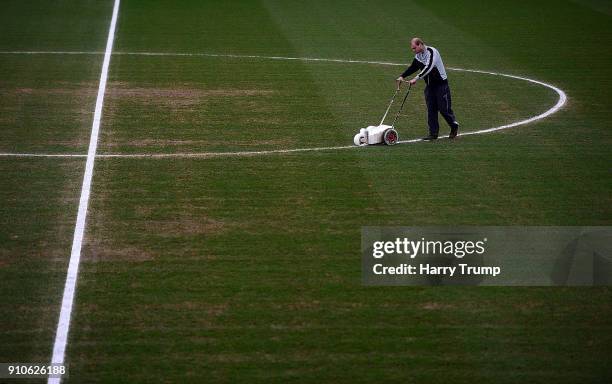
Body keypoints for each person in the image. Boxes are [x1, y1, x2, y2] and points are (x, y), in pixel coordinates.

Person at [396, 38, 459, 140]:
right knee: (431, 109)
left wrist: (416, 78)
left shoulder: (432, 52)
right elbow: (413, 67)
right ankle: (433, 133)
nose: (413, 50)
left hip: (441, 85)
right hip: (430, 86)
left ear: (420, 44)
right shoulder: (418, 55)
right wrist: (402, 76)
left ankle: (454, 125)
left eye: (414, 48)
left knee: (444, 109)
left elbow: (429, 67)